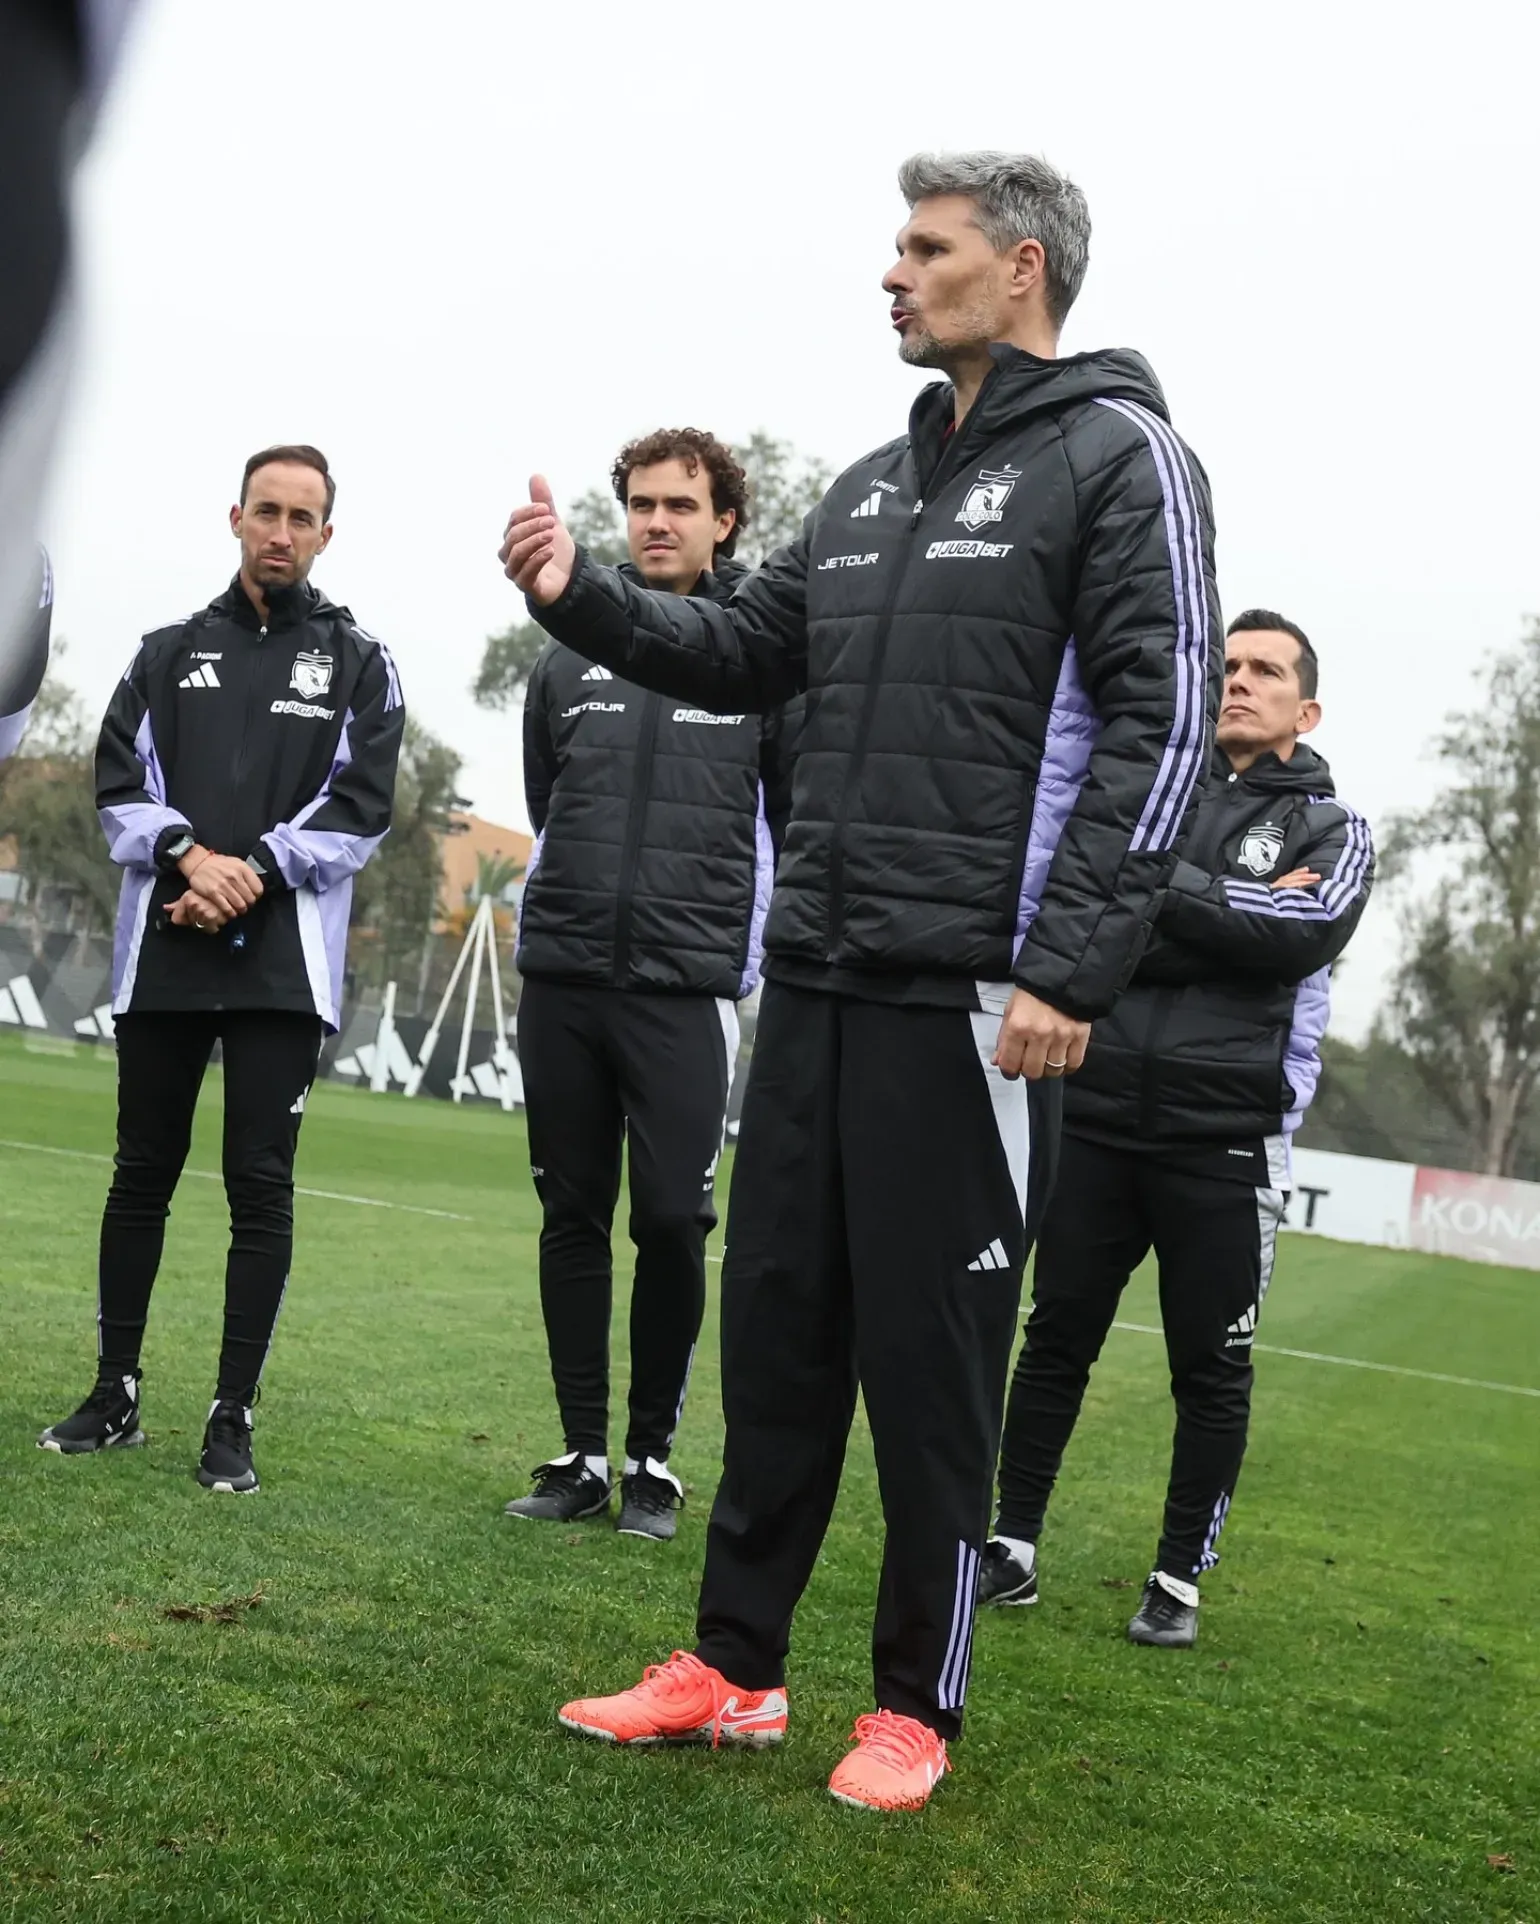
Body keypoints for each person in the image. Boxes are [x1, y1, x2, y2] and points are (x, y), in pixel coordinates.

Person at [500, 149, 1222, 1812]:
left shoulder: (1125, 457)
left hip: (975, 999)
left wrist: (1069, 967)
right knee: (777, 1339)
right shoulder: (868, 485)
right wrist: (579, 595)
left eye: (924, 246)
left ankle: (915, 1704)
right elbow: (744, 651)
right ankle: (736, 1668)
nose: (892, 273)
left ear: (1021, 266)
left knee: (935, 1368)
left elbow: (1164, 718)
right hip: (815, 979)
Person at [978, 610, 1373, 1646]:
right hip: (1097, 1112)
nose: (1239, 680)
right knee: (1055, 1339)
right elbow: (1079, 909)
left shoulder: (1333, 830)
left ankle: (1177, 1577)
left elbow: (1297, 932)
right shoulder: (1145, 792)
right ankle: (1010, 1544)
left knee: (1210, 1368)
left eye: (1265, 670)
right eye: (1229, 664)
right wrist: (1230, 908)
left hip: (1226, 1134)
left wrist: (1155, 896)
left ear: (1306, 709)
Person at [38, 444, 404, 1496]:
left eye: (302, 518)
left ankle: (230, 1415)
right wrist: (190, 859)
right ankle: (114, 1391)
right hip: (164, 946)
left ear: (326, 534)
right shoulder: (164, 654)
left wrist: (252, 871)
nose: (281, 532)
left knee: (259, 1185)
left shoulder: (361, 661)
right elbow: (118, 786)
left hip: (283, 967)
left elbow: (360, 807)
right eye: (266, 512)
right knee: (141, 1172)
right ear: (235, 518)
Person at [507, 427, 787, 1543]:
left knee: (672, 1219)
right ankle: (581, 1454)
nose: (656, 521)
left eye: (681, 504)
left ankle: (653, 1459)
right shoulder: (567, 653)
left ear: (726, 521)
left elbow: (789, 821)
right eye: (640, 504)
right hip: (564, 976)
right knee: (570, 1213)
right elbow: (548, 803)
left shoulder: (762, 655)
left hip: (686, 986)